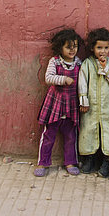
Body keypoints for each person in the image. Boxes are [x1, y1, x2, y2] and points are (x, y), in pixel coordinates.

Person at [34, 28, 83, 177]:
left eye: (75, 46)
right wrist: (63, 79)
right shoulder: (54, 62)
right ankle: (43, 162)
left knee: (70, 135)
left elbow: (83, 83)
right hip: (55, 104)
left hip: (71, 104)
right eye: (68, 47)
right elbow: (48, 78)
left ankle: (70, 161)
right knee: (49, 134)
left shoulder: (78, 63)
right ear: (60, 47)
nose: (72, 50)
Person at [78, 27, 109, 178]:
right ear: (92, 47)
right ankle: (88, 158)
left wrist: (105, 68)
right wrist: (83, 100)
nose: (102, 51)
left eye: (106, 48)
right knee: (89, 129)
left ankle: (107, 160)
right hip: (91, 106)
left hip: (108, 107)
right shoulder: (87, 64)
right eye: (99, 48)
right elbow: (82, 83)